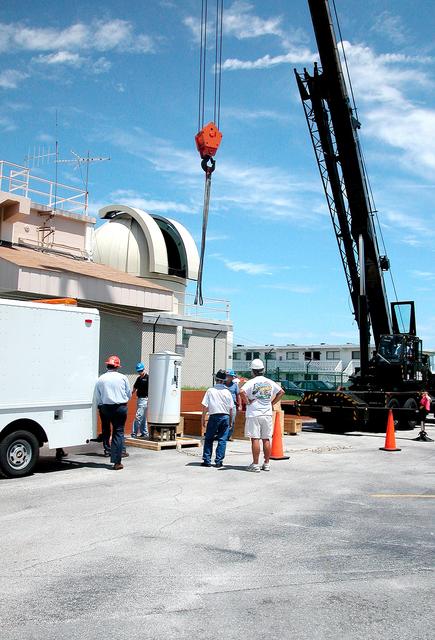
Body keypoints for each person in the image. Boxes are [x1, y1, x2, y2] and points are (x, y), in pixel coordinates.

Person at [240, 358, 284, 473]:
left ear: (253, 371)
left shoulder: (251, 382)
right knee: (266, 439)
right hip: (267, 413)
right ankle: (266, 463)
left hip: (254, 413)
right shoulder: (269, 382)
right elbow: (281, 392)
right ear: (263, 370)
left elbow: (241, 391)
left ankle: (255, 464)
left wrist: (247, 402)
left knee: (255, 438)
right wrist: (272, 403)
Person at [95, 355, 131, 470]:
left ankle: (107, 449)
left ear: (107, 365)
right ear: (117, 366)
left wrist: (101, 406)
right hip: (120, 407)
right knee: (118, 432)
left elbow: (97, 396)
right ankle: (117, 461)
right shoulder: (123, 377)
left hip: (105, 407)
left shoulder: (101, 378)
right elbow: (129, 394)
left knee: (106, 428)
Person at [201, 369, 234, 468]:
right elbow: (231, 408)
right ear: (224, 380)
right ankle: (219, 461)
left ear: (215, 379)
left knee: (209, 438)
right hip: (225, 416)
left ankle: (207, 460)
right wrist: (231, 420)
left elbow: (205, 406)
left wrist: (203, 418)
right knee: (222, 439)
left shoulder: (210, 390)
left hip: (214, 416)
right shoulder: (227, 392)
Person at [131, 362, 149, 439]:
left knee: (138, 416)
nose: (140, 372)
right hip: (139, 399)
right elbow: (134, 387)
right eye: (139, 371)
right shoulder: (139, 379)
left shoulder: (148, 378)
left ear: (144, 369)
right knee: (143, 417)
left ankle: (133, 433)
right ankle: (144, 432)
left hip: (145, 399)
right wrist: (131, 394)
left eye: (141, 371)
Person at [225, 369, 242, 440]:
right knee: (224, 420)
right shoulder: (222, 385)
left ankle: (229, 435)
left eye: (230, 376)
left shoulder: (235, 385)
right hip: (224, 405)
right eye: (227, 376)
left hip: (233, 405)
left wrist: (240, 405)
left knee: (232, 420)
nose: (228, 377)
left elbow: (238, 395)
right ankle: (223, 434)